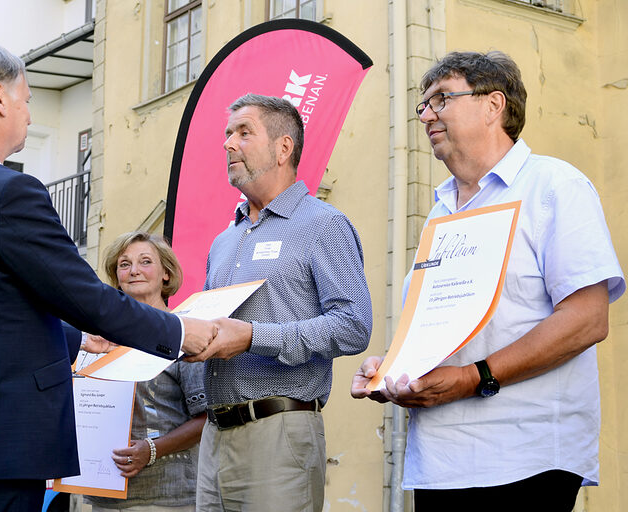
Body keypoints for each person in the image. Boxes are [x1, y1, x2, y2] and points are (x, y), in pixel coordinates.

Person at [0, 41, 216, 511]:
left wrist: (77, 340)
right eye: (26, 98)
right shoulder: (8, 192)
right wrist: (183, 330)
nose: (27, 112)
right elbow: (85, 296)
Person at [351, 51, 625, 511]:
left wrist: (472, 378)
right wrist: (393, 371)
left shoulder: (553, 185)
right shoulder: (440, 212)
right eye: (423, 105)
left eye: (441, 99)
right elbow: (446, 332)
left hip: (524, 457)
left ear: (493, 104)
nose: (426, 115)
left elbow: (587, 319)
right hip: (439, 462)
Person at [188, 94, 373, 512]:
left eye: (243, 132)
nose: (228, 144)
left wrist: (254, 337)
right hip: (213, 436)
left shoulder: (323, 224)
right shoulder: (224, 241)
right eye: (227, 134)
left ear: (283, 147)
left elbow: (354, 325)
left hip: (279, 432)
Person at [85, 232, 206, 512]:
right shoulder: (98, 339)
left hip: (167, 496)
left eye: (145, 261)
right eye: (124, 264)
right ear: (117, 277)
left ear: (166, 273)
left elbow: (205, 418)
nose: (134, 270)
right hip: (104, 493)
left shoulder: (186, 334)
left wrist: (151, 450)